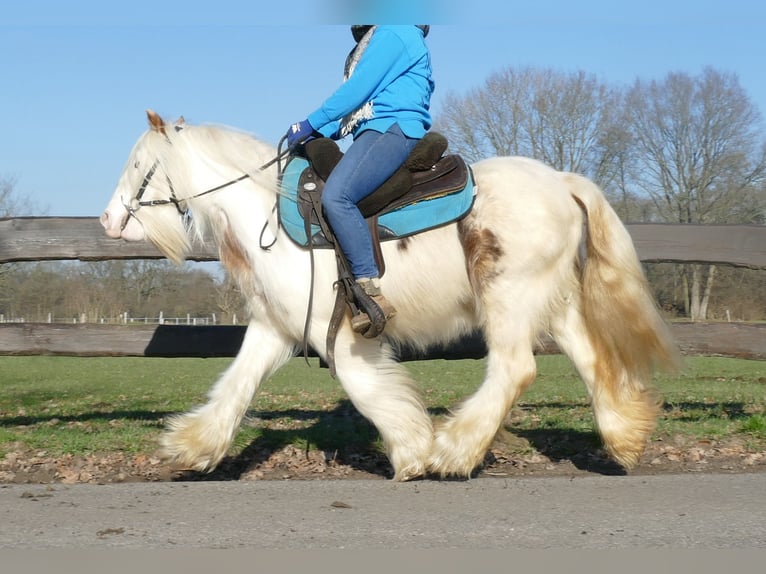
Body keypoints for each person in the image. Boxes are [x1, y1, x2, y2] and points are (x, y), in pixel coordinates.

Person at [285, 25, 434, 335]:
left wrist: (310, 122)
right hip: (372, 130)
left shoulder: (396, 31)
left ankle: (369, 288)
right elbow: (356, 112)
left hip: (393, 128)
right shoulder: (378, 38)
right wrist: (316, 133)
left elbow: (358, 91)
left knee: (337, 196)